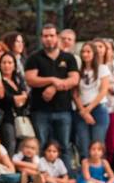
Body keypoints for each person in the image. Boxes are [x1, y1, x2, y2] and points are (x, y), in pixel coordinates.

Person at [24, 25, 80, 167]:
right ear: (42, 38)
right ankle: (42, 179)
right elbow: (30, 79)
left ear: (57, 37)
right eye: (45, 36)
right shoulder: (34, 58)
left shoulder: (68, 58)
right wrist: (52, 80)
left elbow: (74, 79)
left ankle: (67, 179)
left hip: (64, 110)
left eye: (51, 35)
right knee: (41, 146)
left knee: (64, 146)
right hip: (40, 111)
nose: (48, 39)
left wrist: (54, 87)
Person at [73, 40, 112, 163]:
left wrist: (88, 109)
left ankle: (99, 174)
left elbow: (103, 90)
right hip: (81, 110)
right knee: (83, 145)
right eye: (83, 51)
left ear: (94, 53)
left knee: (97, 146)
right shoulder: (77, 70)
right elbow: (75, 92)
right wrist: (83, 111)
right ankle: (85, 175)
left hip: (98, 109)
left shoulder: (102, 68)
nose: (85, 54)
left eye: (88, 51)